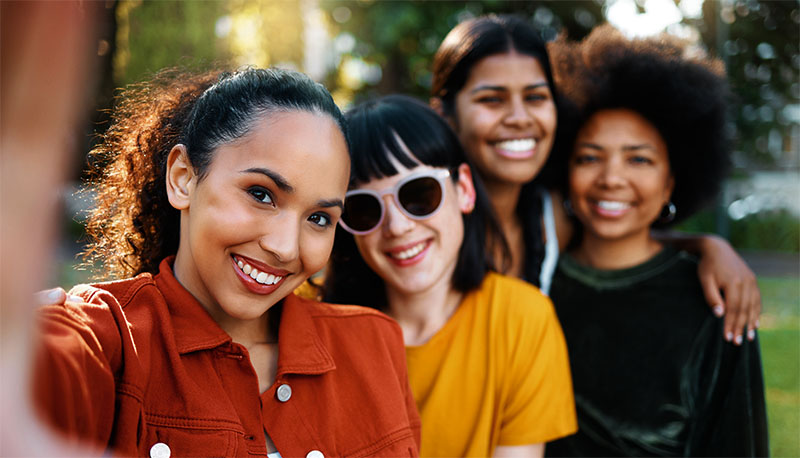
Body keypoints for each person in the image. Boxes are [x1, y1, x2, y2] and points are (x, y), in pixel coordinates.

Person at [31, 67, 420, 457]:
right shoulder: (105, 340)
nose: (286, 248)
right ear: (183, 178)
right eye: (261, 194)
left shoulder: (375, 347)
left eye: (319, 218)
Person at [429, 14, 761, 345]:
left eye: (535, 97)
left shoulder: (551, 218)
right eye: (491, 99)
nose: (519, 118)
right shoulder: (425, 216)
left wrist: (708, 246)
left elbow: (618, 237)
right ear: (444, 113)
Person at [544, 26, 769, 456]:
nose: (611, 178)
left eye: (639, 159)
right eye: (589, 157)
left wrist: (708, 246)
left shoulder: (717, 301)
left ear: (670, 183)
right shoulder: (534, 281)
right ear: (563, 170)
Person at [322, 95, 577, 457]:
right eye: (364, 208)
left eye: (418, 194)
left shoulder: (522, 320)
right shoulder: (308, 322)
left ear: (465, 190)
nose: (397, 226)